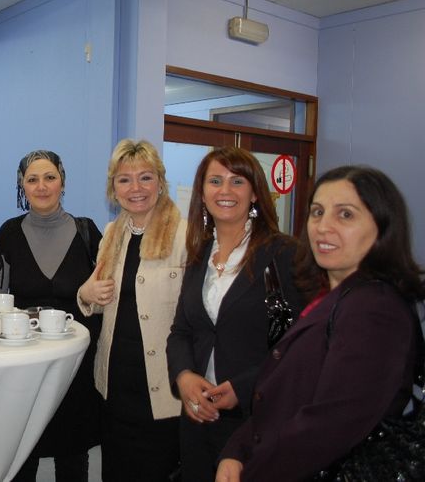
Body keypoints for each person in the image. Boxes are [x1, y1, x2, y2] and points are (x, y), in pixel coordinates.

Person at [215, 165, 425, 482]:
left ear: (382, 227)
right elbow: (285, 394)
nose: (323, 227)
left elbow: (329, 426)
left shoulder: (375, 309)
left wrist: (253, 472)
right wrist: (236, 450)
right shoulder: (332, 297)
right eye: (317, 212)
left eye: (345, 215)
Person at [166, 147, 303, 481]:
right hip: (197, 416)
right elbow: (181, 331)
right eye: (215, 181)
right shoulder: (199, 253)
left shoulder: (283, 255)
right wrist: (183, 377)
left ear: (255, 193)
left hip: (255, 420)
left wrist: (243, 388)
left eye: (237, 181)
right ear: (202, 193)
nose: (224, 190)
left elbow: (295, 345)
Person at [0, 150, 103, 481]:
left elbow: (105, 295)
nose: (42, 186)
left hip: (76, 365)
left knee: (73, 455)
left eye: (50, 177)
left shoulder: (87, 232)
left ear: (62, 183)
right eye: (32, 179)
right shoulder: (9, 232)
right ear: (22, 186)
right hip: (25, 365)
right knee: (22, 453)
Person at [78, 139, 187, 481]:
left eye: (145, 177)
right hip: (115, 386)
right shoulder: (112, 233)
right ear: (114, 188)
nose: (135, 188)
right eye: (124, 179)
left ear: (160, 182)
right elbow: (97, 297)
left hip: (162, 388)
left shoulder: (185, 235)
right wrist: (86, 293)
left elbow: (196, 316)